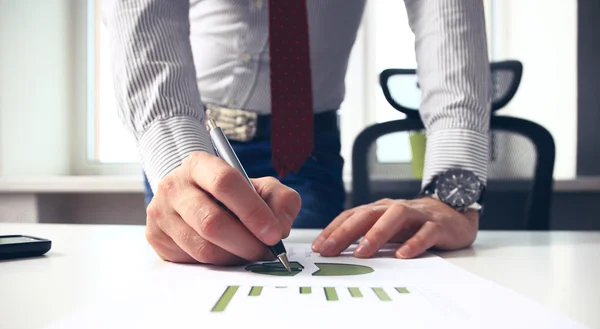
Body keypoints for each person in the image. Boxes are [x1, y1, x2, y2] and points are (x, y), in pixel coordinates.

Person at [103, 0, 491, 265]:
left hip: (306, 146)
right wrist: (178, 159)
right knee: (196, 300)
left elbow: (445, 17)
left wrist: (450, 195)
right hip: (196, 139)